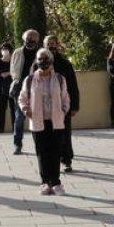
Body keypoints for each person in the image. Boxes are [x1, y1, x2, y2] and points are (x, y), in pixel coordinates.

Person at [18, 48, 71, 196]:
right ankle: (45, 183)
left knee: (55, 152)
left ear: (51, 61)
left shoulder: (59, 79)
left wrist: (64, 109)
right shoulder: (29, 80)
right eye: (40, 59)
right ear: (36, 61)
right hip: (38, 122)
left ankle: (56, 183)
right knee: (42, 153)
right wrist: (25, 109)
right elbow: (22, 98)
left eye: (46, 59)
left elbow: (65, 97)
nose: (43, 62)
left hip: (56, 122)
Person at [44, 34, 79, 172]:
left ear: (57, 45)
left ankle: (67, 160)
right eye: (48, 43)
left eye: (53, 43)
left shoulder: (65, 64)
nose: (51, 46)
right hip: (45, 107)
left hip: (63, 106)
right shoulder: (38, 64)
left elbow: (73, 87)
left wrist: (75, 106)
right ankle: (51, 161)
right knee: (48, 135)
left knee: (65, 133)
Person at [9, 30, 41, 154]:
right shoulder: (17, 52)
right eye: (28, 38)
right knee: (19, 117)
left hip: (36, 88)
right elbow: (13, 68)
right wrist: (16, 80)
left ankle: (39, 144)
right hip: (19, 89)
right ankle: (17, 145)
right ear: (24, 39)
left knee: (37, 117)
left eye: (33, 39)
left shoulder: (40, 53)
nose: (30, 41)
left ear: (37, 41)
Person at [0, 43, 15, 133]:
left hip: (12, 88)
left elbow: (16, 72)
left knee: (13, 109)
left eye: (6, 49)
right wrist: (8, 73)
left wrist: (7, 73)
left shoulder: (13, 61)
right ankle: (0, 129)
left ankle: (15, 129)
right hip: (2, 90)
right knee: (1, 109)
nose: (4, 50)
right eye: (3, 49)